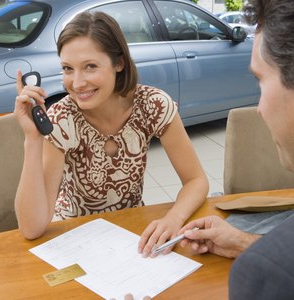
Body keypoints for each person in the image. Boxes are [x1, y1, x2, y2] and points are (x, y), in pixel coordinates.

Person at [14, 12, 208, 258]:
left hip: (131, 232)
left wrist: (173, 219)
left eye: (90, 66)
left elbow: (196, 181)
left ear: (119, 63)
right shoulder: (62, 118)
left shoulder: (153, 105)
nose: (77, 82)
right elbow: (32, 228)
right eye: (67, 69)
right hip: (73, 237)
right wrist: (32, 139)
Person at [177, 0, 294, 298]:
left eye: (260, 79)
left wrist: (262, 257)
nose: (258, 109)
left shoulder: (266, 273)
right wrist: (244, 242)